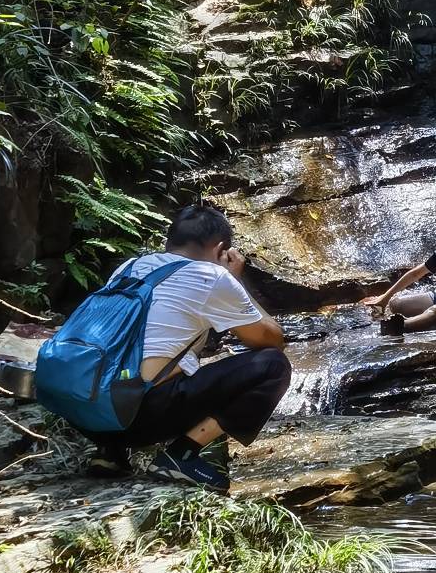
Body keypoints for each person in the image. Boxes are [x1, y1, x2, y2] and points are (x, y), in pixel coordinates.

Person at [91, 203, 290, 490]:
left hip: (84, 406)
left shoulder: (130, 266)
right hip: (140, 415)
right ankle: (180, 454)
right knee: (273, 365)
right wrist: (235, 281)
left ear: (168, 243)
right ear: (222, 249)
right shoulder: (212, 277)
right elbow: (273, 340)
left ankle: (110, 450)